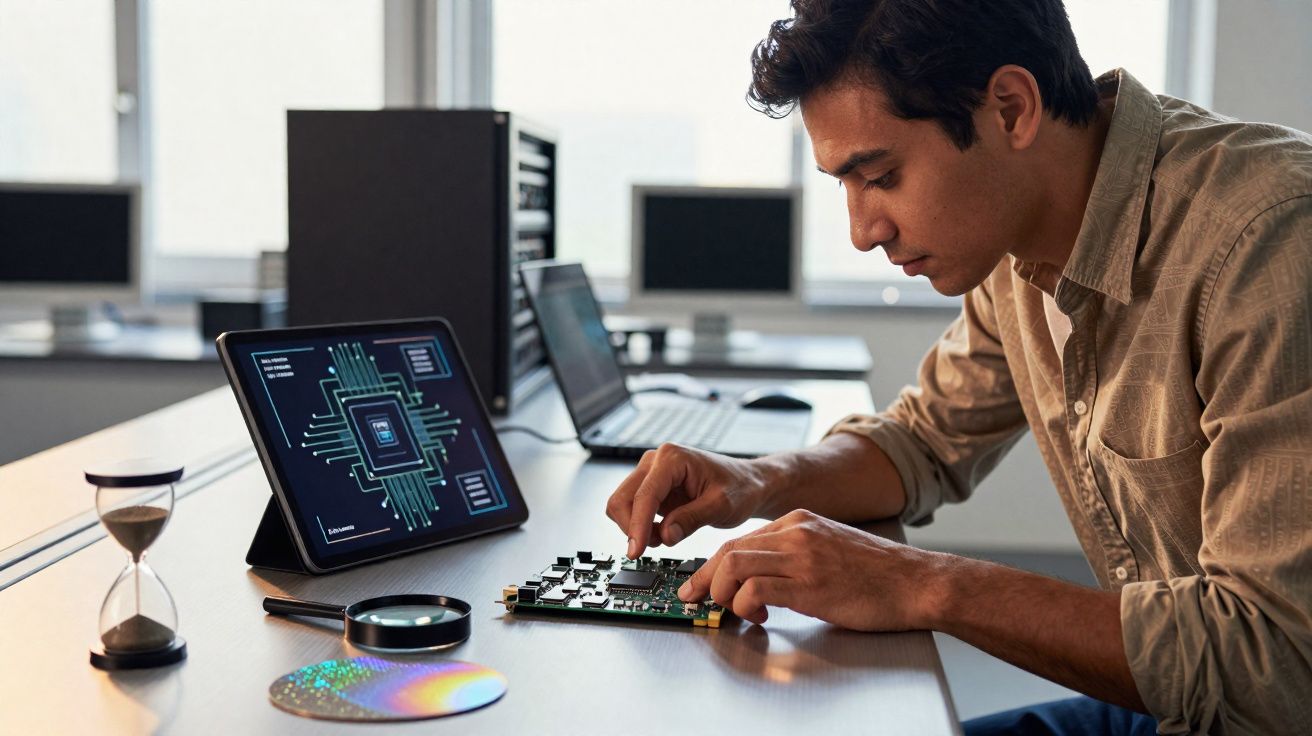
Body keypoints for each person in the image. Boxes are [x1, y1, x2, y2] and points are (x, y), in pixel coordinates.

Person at [603, 1, 1312, 733]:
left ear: (1010, 108)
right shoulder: (1019, 244)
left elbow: (1276, 664)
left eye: (879, 174)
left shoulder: (1270, 245)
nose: (861, 231)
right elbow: (921, 444)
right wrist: (753, 479)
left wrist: (924, 584)